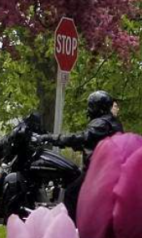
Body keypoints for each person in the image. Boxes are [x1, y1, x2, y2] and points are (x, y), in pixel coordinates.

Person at [40, 90, 123, 218]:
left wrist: (51, 138)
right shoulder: (112, 122)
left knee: (71, 194)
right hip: (108, 169)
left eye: (91, 106)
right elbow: (90, 143)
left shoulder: (101, 123)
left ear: (97, 107)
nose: (89, 109)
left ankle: (73, 231)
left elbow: (83, 137)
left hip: (99, 170)